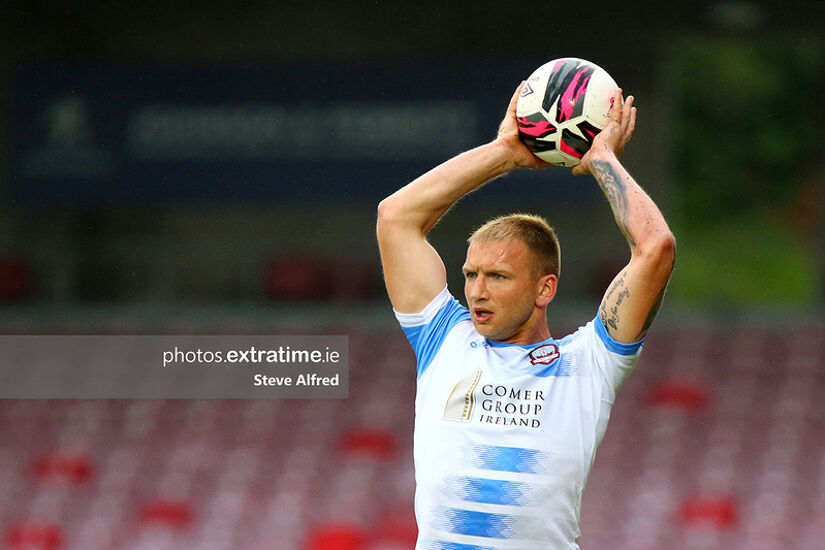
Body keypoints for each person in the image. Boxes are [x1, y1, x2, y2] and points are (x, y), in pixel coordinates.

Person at [376, 82, 675, 549]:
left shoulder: (589, 363)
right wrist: (504, 153)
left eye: (497, 276)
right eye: (470, 274)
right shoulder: (443, 339)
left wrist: (601, 159)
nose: (476, 291)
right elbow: (395, 216)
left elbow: (655, 248)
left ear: (544, 288)